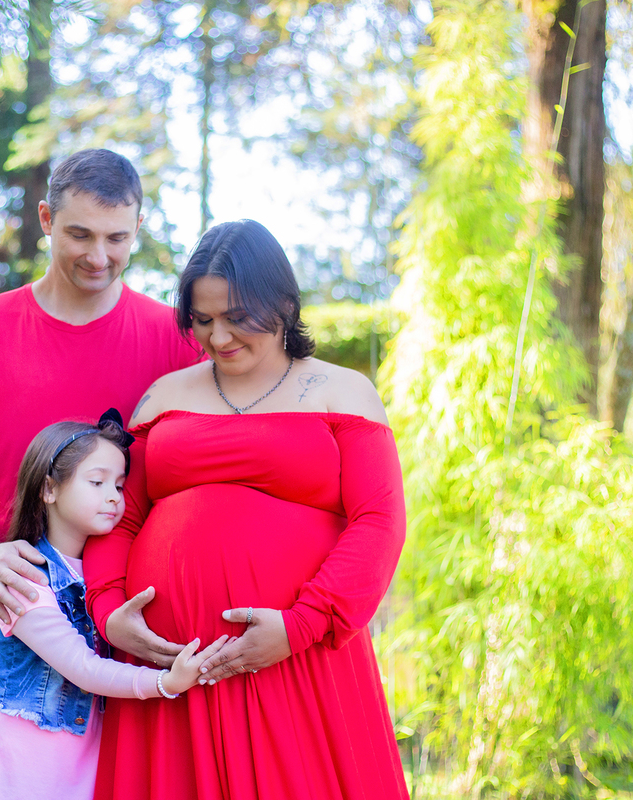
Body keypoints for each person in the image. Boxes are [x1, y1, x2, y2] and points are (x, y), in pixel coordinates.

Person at [85, 219, 410, 799]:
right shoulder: (164, 396)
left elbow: (379, 521)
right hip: (171, 671)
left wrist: (301, 625)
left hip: (295, 657)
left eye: (237, 317)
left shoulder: (341, 391)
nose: (219, 337)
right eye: (202, 320)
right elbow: (118, 516)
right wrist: (110, 611)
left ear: (282, 304)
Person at [0, 149, 202, 799]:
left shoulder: (175, 340)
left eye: (117, 238)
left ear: (138, 228)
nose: (99, 256)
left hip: (124, 640)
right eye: (79, 234)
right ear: (46, 219)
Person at [0, 413, 228, 800]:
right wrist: (166, 683)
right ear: (49, 489)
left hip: (86, 761)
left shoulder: (110, 579)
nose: (114, 497)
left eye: (119, 485)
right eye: (97, 482)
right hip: (22, 764)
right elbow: (82, 668)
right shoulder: (24, 579)